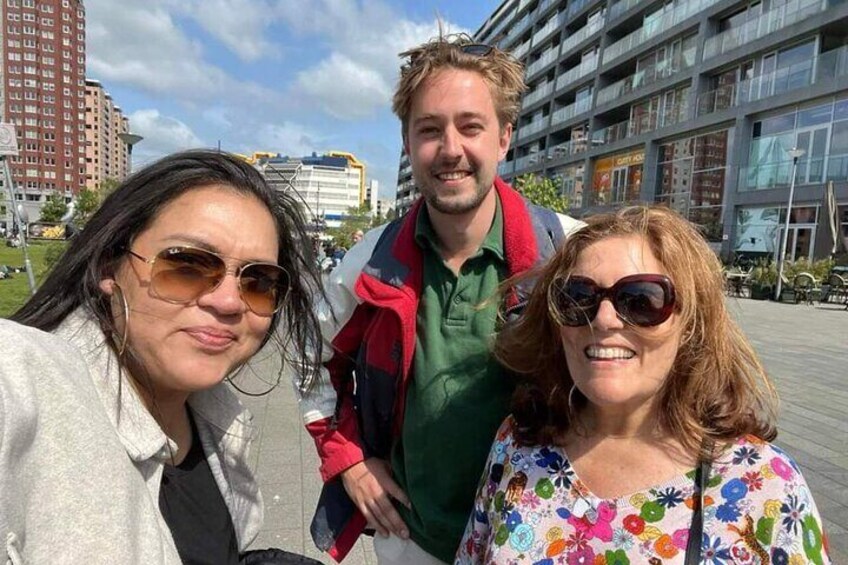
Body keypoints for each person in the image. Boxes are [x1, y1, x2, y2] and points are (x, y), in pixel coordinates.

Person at [296, 34, 583, 563]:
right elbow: (311, 358)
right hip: (413, 538)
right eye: (430, 130)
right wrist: (351, 461)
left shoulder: (569, 253)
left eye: (470, 126)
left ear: (504, 138)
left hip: (541, 536)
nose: (451, 149)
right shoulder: (370, 261)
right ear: (408, 144)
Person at [456, 206, 832, 564]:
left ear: (691, 325)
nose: (604, 319)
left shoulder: (764, 487)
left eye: (641, 300)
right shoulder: (517, 447)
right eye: (578, 297)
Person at [2, 150, 323, 564]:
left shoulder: (216, 421)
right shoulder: (25, 378)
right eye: (187, 265)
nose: (228, 302)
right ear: (109, 264)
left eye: (259, 281)